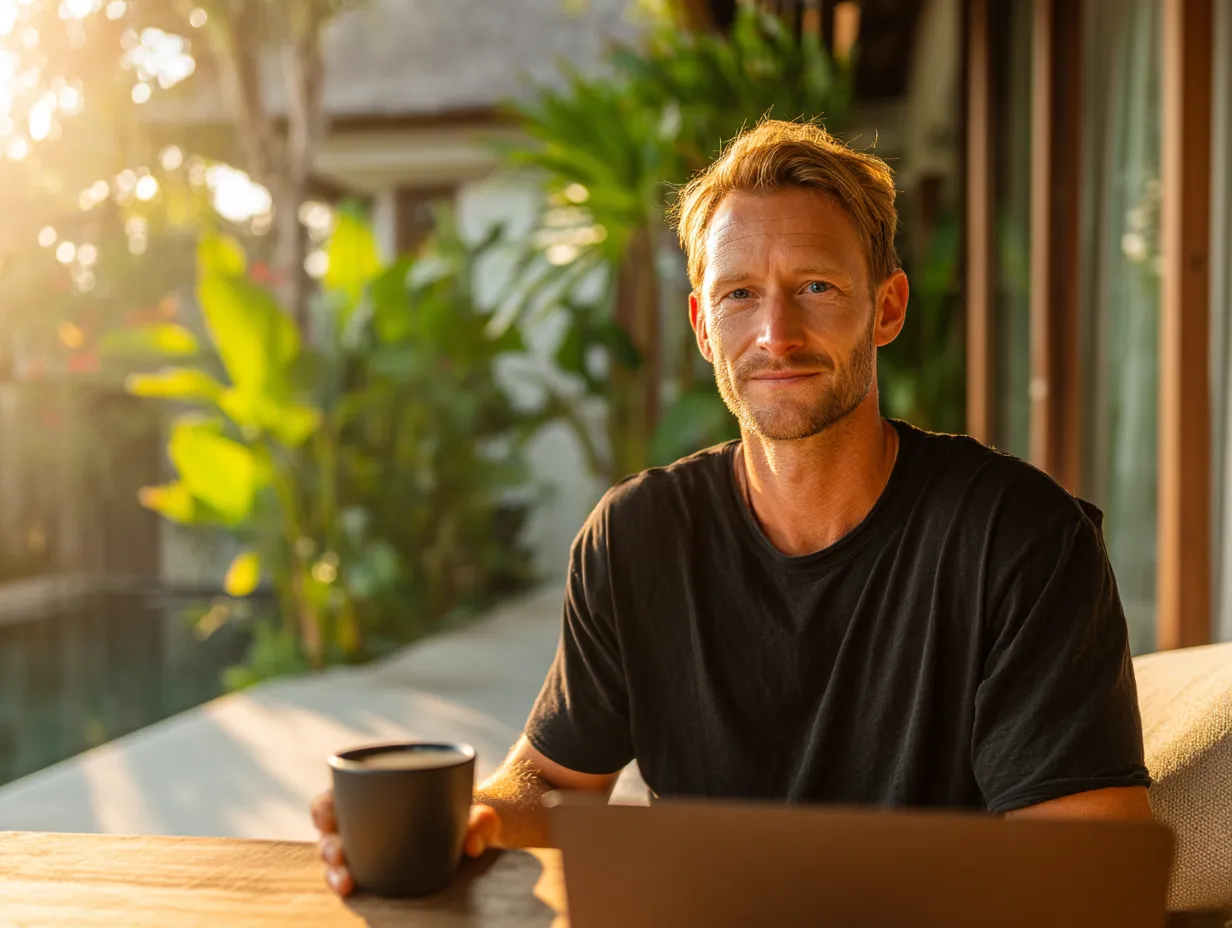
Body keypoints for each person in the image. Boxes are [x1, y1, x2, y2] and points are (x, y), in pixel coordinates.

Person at [313, 120, 1153, 896]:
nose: (775, 335)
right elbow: (559, 781)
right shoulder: (637, 536)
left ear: (886, 308)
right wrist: (476, 818)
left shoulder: (1018, 541)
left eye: (816, 286)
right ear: (703, 326)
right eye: (739, 294)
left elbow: (1089, 870)